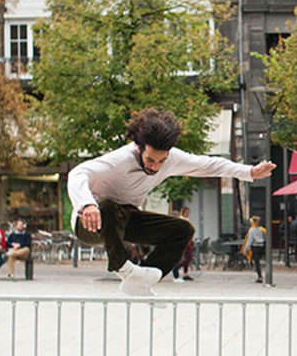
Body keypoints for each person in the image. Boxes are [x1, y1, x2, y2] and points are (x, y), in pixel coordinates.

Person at [68, 108, 275, 295]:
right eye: (150, 160)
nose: (155, 167)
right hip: (91, 223)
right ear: (139, 148)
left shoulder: (172, 158)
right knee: (108, 207)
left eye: (161, 161)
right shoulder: (121, 158)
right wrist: (87, 204)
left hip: (128, 219)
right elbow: (78, 173)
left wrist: (249, 171)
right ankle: (124, 268)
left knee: (183, 230)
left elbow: (209, 164)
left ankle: (142, 281)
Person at [172, 206, 195, 282]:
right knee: (187, 257)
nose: (188, 214)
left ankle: (185, 274)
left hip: (188, 241)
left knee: (188, 257)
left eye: (189, 212)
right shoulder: (182, 220)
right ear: (183, 212)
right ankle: (176, 268)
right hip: (184, 241)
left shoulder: (187, 220)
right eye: (187, 212)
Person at [242, 215, 267, 282]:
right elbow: (265, 237)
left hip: (255, 246)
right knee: (257, 260)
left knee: (256, 262)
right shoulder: (262, 229)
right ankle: (258, 273)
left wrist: (245, 249)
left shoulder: (251, 230)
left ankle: (259, 276)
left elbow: (249, 240)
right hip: (261, 246)